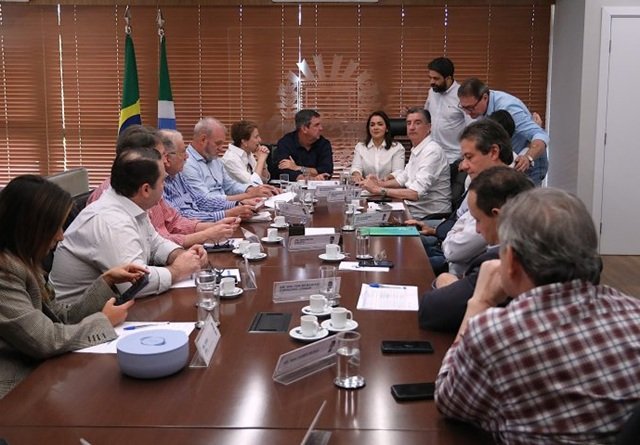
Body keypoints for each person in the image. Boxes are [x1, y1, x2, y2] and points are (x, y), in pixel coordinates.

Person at [435, 188, 640, 443]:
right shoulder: (634, 313)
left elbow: (450, 401)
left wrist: (480, 303)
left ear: (511, 260)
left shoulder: (496, 332)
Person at [0, 175, 147, 399]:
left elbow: (60, 317)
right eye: (55, 227)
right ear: (30, 227)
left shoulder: (24, 259)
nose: (61, 236)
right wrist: (104, 322)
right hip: (16, 388)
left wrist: (106, 281)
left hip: (43, 370)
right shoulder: (5, 271)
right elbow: (44, 339)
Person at [50, 147, 207, 303]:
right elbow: (135, 284)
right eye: (162, 181)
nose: (164, 187)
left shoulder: (131, 204)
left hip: (111, 306)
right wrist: (177, 270)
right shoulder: (111, 221)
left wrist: (181, 255)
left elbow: (155, 243)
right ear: (146, 189)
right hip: (80, 315)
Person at [418, 166, 533, 332]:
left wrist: (444, 281)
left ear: (498, 215)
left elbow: (431, 309)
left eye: (478, 220)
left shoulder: (500, 261)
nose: (477, 230)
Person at [89, 125, 244, 247]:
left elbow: (173, 223)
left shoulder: (148, 185)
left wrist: (213, 226)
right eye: (161, 155)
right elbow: (152, 247)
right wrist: (207, 233)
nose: (165, 161)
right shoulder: (118, 195)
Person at [362, 107, 450, 220]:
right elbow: (402, 179)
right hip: (411, 209)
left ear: (429, 127)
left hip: (428, 216)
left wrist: (378, 189)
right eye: (409, 123)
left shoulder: (432, 152)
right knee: (366, 216)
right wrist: (378, 183)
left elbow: (415, 193)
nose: (412, 127)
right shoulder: (417, 149)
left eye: (417, 123)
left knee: (371, 221)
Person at [457, 77, 549, 185]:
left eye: (471, 108)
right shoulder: (479, 106)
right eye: (464, 108)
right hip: (504, 163)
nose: (467, 113)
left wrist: (528, 157)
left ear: (485, 98)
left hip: (527, 164)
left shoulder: (508, 108)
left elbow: (540, 135)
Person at [161, 129, 254, 222]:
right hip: (197, 226)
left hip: (205, 221)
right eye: (182, 152)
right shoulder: (162, 182)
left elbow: (200, 201)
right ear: (167, 158)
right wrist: (227, 214)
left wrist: (236, 204)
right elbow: (182, 218)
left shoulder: (177, 175)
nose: (187, 156)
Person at [182, 117, 277, 201]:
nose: (221, 149)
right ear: (203, 140)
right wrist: (245, 197)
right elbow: (205, 201)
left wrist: (251, 189)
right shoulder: (187, 163)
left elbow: (230, 185)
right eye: (218, 143)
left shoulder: (215, 160)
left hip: (226, 207)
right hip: (213, 212)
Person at [424, 57, 469, 164]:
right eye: (430, 78)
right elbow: (427, 115)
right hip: (432, 154)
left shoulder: (462, 95)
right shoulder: (432, 92)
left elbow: (471, 126)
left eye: (436, 78)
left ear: (448, 78)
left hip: (454, 157)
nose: (431, 82)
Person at [273, 109, 334, 181]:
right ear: (304, 129)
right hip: (293, 186)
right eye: (316, 125)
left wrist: (298, 168)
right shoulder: (286, 143)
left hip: (318, 186)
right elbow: (284, 170)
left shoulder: (324, 144)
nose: (321, 128)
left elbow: (327, 171)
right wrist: (308, 178)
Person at [349, 110, 405, 183]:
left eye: (380, 124)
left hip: (388, 187)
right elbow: (356, 168)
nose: (375, 127)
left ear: (387, 128)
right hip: (366, 187)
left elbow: (398, 172)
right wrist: (357, 175)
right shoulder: (360, 147)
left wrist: (385, 179)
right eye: (372, 125)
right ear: (369, 129)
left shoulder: (397, 148)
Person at [222, 120, 271, 185]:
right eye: (256, 137)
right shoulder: (230, 159)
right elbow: (253, 183)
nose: (260, 140)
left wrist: (263, 163)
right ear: (244, 142)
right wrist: (261, 160)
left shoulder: (248, 153)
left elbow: (264, 181)